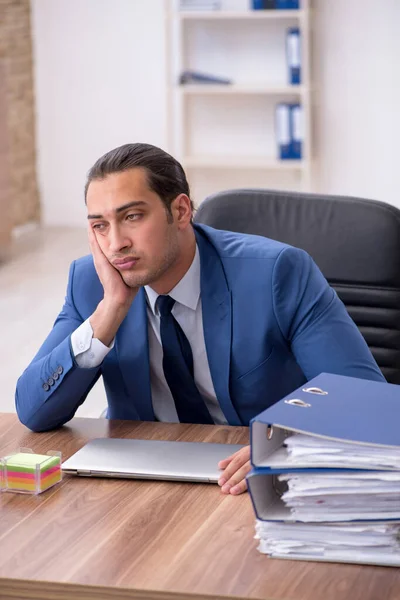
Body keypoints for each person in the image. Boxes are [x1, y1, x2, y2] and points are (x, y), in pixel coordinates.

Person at [15, 143, 385, 495]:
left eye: (132, 217)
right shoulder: (89, 282)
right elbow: (34, 410)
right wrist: (109, 311)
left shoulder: (277, 273)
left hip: (250, 477)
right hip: (143, 478)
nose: (116, 244)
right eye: (100, 225)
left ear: (180, 211)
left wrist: (284, 446)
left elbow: (366, 400)